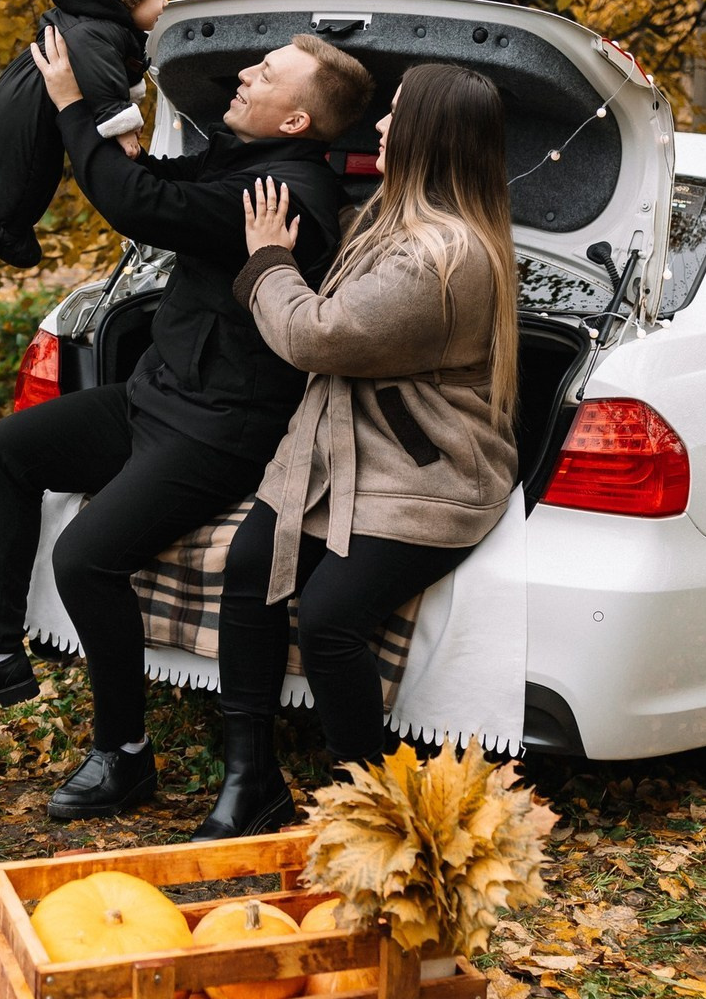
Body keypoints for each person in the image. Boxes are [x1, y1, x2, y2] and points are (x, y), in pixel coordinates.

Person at [0, 25, 376, 823]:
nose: (245, 73)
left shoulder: (284, 194)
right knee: (6, 451)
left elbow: (136, 205)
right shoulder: (242, 162)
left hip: (218, 430)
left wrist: (69, 105)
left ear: (297, 121)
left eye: (266, 73)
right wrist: (110, 117)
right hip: (155, 398)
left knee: (86, 557)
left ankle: (122, 753)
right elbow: (150, 176)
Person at [192, 62, 520, 841]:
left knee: (331, 617)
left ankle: (367, 808)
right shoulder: (388, 220)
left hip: (426, 469)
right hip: (343, 451)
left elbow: (319, 336)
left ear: (430, 136)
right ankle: (250, 779)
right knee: (250, 564)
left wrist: (267, 260)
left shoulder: (445, 257)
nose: (379, 125)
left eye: (396, 114)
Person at [0, 0, 174, 268]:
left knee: (42, 166)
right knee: (28, 169)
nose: (165, 3)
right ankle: (7, 231)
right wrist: (123, 129)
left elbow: (116, 73)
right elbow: (103, 80)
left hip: (30, 91)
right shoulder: (94, 29)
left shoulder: (106, 26)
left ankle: (11, 228)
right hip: (27, 99)